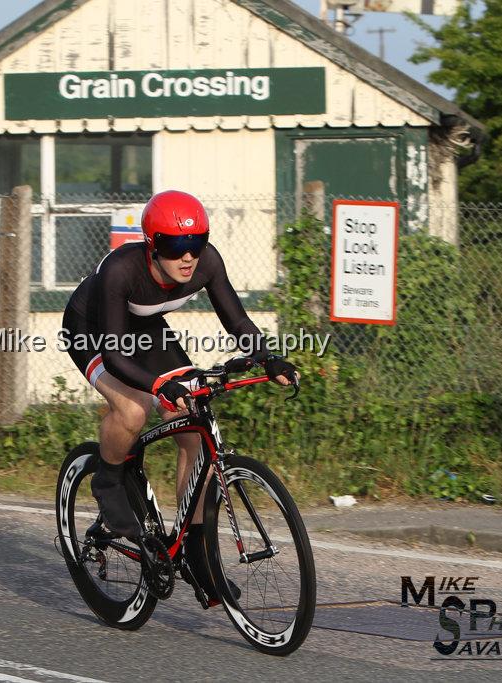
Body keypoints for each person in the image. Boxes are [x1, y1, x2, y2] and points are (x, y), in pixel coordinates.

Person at [61, 189, 297, 605]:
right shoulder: (121, 270)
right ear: (152, 244)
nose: (188, 257)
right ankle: (108, 479)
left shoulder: (207, 263)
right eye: (175, 246)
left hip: (145, 329)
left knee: (195, 426)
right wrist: (155, 386)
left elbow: (237, 320)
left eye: (196, 242)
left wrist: (267, 357)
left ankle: (196, 552)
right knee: (133, 408)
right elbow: (115, 353)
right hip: (94, 330)